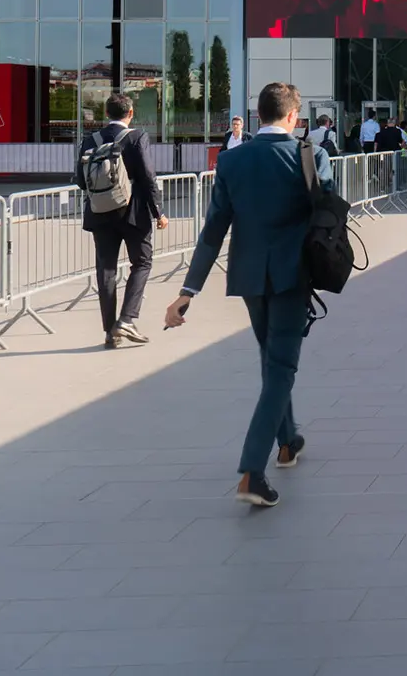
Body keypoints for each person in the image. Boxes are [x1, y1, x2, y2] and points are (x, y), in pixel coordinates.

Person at [164, 82, 332, 509]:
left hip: (249, 278)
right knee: (281, 368)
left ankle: (288, 440)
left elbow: (213, 230)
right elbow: (327, 210)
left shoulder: (232, 160)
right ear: (293, 117)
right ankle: (252, 472)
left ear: (258, 116)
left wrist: (188, 291)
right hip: (293, 276)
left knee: (271, 359)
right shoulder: (309, 156)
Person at [76, 93, 168, 349]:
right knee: (142, 262)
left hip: (100, 212)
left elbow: (81, 181)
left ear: (107, 114)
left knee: (106, 270)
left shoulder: (89, 140)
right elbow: (148, 177)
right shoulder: (137, 137)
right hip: (133, 212)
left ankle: (109, 332)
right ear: (130, 114)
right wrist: (158, 212)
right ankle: (127, 319)